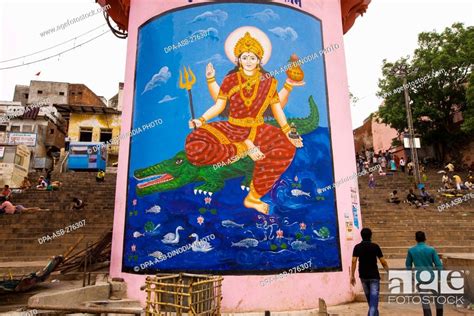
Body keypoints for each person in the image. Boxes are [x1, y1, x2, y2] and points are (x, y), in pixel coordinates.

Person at [185, 31, 303, 214]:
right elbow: (219, 105)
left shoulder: (269, 81)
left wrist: (288, 131)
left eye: (253, 57)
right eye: (245, 57)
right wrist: (200, 120)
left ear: (259, 60)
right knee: (194, 144)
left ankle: (253, 197)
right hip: (232, 127)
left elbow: (277, 108)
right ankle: (242, 147)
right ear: (238, 60)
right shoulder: (231, 80)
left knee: (287, 147)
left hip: (258, 129)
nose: (248, 61)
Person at [351, 228, 389, 316]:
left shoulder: (357, 247)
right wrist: (388, 271)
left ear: (361, 236)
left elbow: (353, 261)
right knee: (373, 301)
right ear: (371, 235)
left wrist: (352, 275)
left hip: (363, 276)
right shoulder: (375, 246)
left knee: (370, 300)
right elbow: (383, 261)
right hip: (374, 276)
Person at [406, 231, 443, 316]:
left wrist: (411, 277)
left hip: (420, 278)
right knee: (438, 299)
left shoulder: (411, 250)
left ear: (416, 239)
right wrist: (440, 276)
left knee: (425, 301)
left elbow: (408, 265)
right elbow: (438, 265)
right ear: (425, 238)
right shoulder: (431, 249)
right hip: (433, 277)